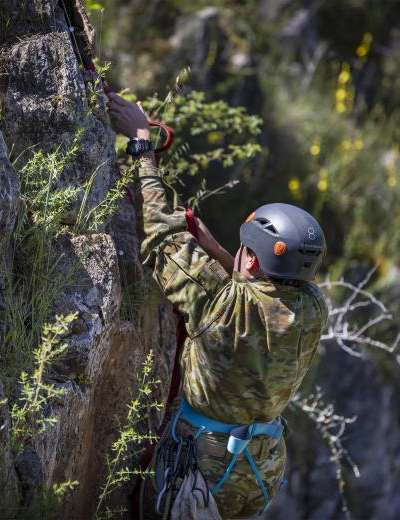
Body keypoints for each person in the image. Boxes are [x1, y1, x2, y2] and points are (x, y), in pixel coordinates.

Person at [107, 92, 328, 519]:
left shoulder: (218, 301)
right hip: (260, 468)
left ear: (250, 259)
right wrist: (215, 250)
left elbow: (161, 237)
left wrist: (141, 144)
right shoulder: (312, 309)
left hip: (201, 468)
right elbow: (260, 295)